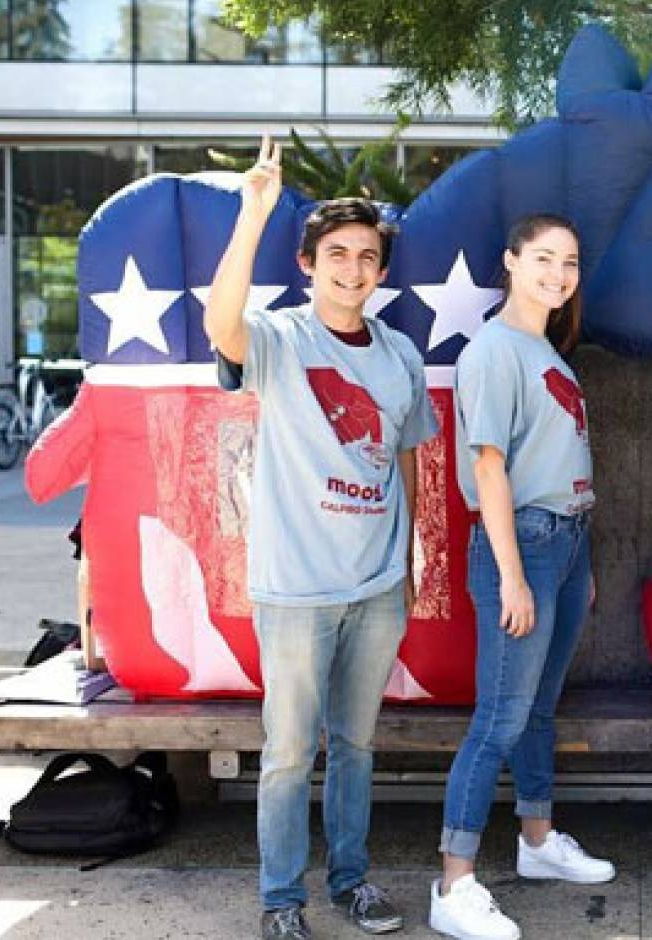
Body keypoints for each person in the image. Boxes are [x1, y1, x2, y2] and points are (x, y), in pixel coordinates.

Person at [205, 136, 435, 940]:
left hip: (375, 590)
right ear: (308, 263)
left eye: (367, 256)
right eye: (336, 254)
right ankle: (280, 902)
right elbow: (220, 321)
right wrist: (252, 214)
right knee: (288, 753)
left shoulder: (402, 355)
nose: (352, 268)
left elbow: (408, 460)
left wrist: (407, 568)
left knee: (359, 746)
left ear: (381, 272)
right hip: (297, 592)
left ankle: (351, 881)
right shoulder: (280, 341)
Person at [429, 214, 614, 940]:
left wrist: (580, 564)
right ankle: (454, 883)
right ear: (511, 261)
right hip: (525, 546)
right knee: (499, 720)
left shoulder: (546, 352)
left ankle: (536, 843)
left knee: (539, 708)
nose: (558, 274)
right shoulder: (495, 351)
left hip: (567, 544)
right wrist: (513, 575)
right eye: (543, 258)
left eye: (569, 262)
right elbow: (488, 467)